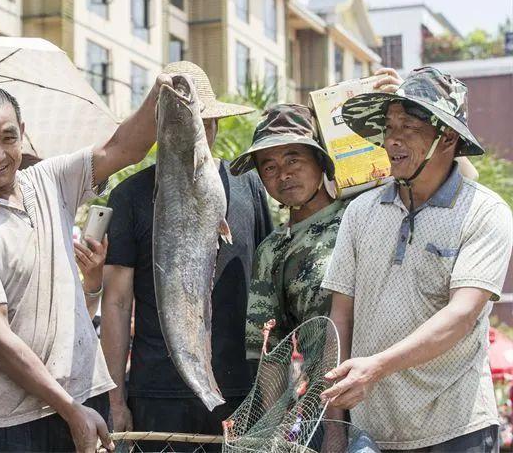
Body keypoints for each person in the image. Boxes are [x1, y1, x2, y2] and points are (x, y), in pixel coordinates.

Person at [0, 74, 170, 453]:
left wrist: (159, 92)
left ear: (22, 133)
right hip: (16, 421)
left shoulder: (49, 180)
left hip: (87, 394)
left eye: (8, 138)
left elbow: (123, 149)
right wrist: (69, 409)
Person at [321, 67, 513, 452]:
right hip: (371, 434)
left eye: (409, 126)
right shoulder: (360, 212)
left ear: (448, 138)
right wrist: (334, 426)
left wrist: (376, 367)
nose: (392, 139)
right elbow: (339, 318)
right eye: (389, 127)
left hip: (457, 431)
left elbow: (460, 316)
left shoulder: (484, 212)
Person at [102, 61, 273, 449]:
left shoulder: (248, 185)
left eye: (204, 122)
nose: (197, 132)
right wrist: (116, 398)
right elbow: (116, 302)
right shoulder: (129, 196)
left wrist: (272, 387)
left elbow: (267, 287)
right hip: (158, 394)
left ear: (214, 125)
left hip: (239, 391)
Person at [230, 104, 342, 367]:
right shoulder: (272, 251)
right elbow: (267, 351)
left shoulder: (361, 214)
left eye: (293, 160)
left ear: (320, 160)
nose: (283, 175)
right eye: (269, 168)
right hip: (323, 388)